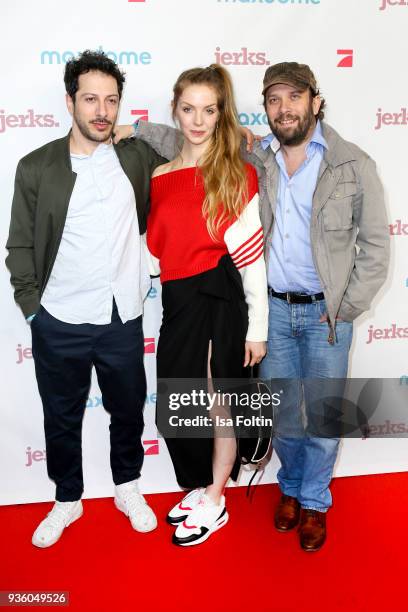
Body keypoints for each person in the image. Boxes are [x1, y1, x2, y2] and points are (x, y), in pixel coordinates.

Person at [116, 61, 389, 552]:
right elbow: (182, 144)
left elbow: (374, 247)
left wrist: (346, 308)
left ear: (315, 101)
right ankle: (285, 491)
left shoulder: (350, 164)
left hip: (320, 315)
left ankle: (313, 502)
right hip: (263, 308)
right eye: (274, 100)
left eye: (294, 97)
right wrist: (132, 127)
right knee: (279, 413)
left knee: (323, 416)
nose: (285, 109)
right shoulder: (257, 154)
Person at [5, 50, 165, 548]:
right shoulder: (36, 167)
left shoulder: (136, 156)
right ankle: (66, 498)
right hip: (60, 318)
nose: (101, 110)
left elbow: (194, 145)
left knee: (128, 409)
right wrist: (35, 310)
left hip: (122, 317)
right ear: (70, 101)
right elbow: (20, 246)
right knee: (62, 415)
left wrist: (140, 130)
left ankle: (128, 486)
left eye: (111, 101)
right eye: (90, 99)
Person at [143, 64, 268, 546]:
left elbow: (252, 257)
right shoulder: (160, 175)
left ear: (221, 114)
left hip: (220, 297)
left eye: (209, 110)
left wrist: (257, 327)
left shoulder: (237, 172)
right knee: (182, 401)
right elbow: (155, 253)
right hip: (178, 301)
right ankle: (202, 486)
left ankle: (215, 496)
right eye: (189, 109)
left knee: (219, 403)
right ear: (175, 109)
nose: (197, 120)